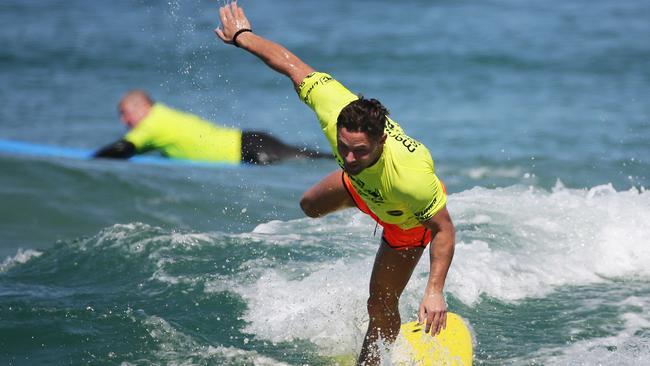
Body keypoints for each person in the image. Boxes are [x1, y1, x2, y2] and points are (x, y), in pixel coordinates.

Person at [214, 2, 455, 365]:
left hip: (404, 218)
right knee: (309, 206)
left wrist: (434, 290)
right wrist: (243, 37)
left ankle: (372, 362)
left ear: (380, 142)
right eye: (344, 148)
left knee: (379, 301)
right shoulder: (336, 109)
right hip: (361, 189)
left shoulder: (412, 179)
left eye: (359, 151)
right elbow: (292, 66)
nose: (350, 157)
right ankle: (360, 200)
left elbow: (444, 229)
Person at [94, 89, 331, 164]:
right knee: (308, 157)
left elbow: (122, 149)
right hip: (249, 142)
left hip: (248, 150)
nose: (124, 121)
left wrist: (91, 158)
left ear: (141, 107)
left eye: (125, 114)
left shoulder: (153, 123)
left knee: (308, 159)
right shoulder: (162, 116)